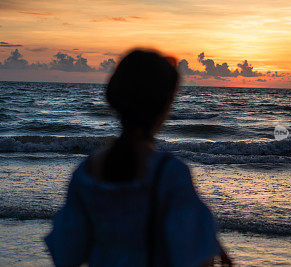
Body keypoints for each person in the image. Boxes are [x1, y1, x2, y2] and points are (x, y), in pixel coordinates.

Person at [44, 49, 232, 266]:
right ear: (166, 105)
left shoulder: (87, 173)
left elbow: (67, 254)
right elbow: (196, 260)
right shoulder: (170, 174)